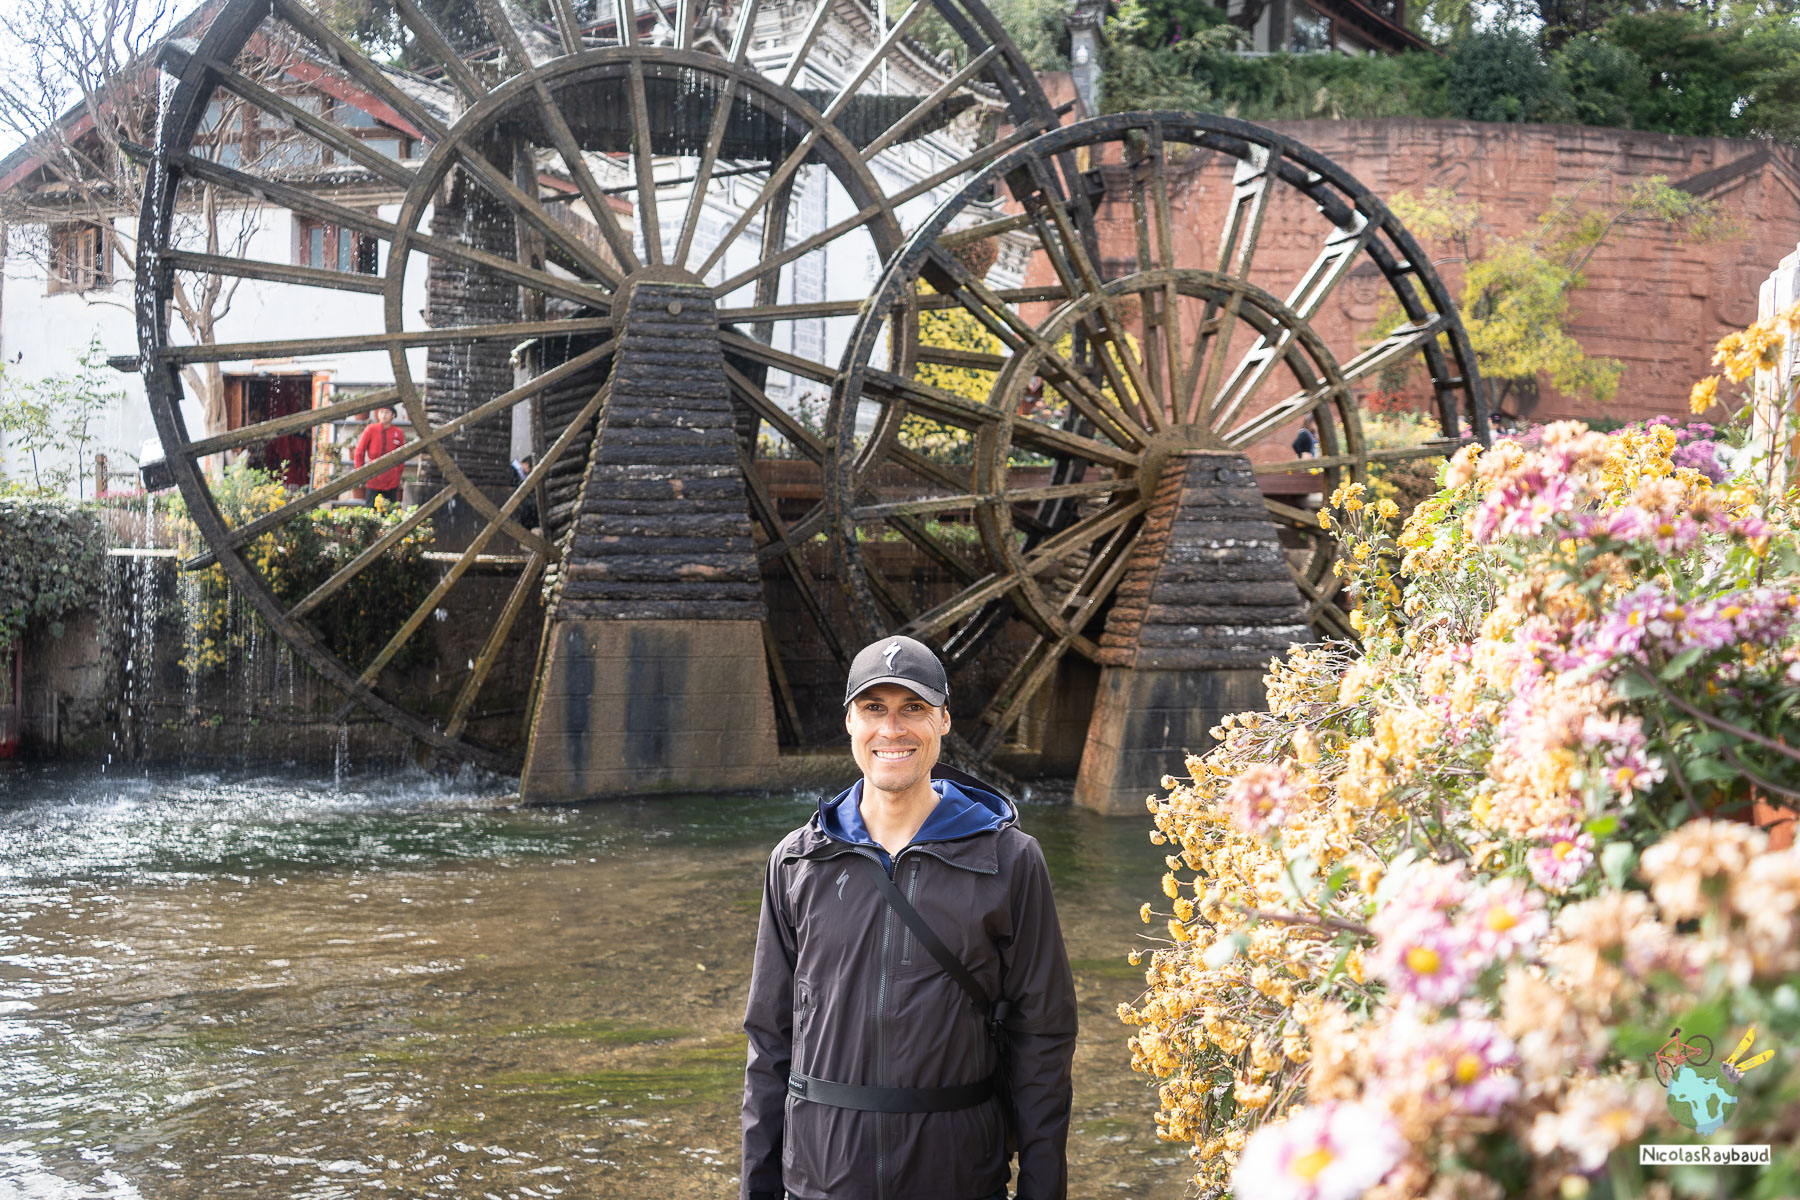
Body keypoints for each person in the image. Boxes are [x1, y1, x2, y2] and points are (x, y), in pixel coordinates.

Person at [741, 636, 1078, 1200]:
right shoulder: (798, 861)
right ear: (850, 722)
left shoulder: (1010, 860)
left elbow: (1044, 1041)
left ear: (944, 721)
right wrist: (757, 1189)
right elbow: (769, 1044)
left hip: (957, 1180)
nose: (892, 730)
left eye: (913, 709)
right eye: (874, 709)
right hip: (822, 1182)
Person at [353, 405, 408, 505]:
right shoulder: (370, 429)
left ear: (393, 415)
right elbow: (359, 451)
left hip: (392, 478)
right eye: (381, 412)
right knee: (371, 510)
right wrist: (360, 472)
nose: (384, 415)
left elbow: (402, 456)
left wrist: (398, 475)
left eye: (387, 412)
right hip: (373, 476)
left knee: (390, 509)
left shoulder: (398, 432)